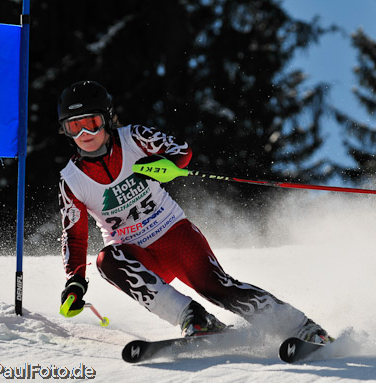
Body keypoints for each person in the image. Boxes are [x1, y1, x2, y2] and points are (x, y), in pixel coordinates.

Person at [58, 80, 332, 343]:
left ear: (106, 119)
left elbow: (181, 150)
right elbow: (75, 235)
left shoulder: (133, 138)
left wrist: (166, 164)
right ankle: (194, 318)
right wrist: (75, 282)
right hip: (136, 257)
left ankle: (300, 327)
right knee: (107, 261)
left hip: (175, 236)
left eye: (92, 124)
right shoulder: (71, 179)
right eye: (75, 127)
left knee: (217, 287)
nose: (85, 136)